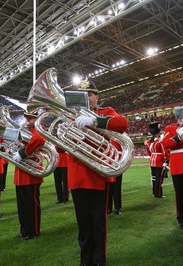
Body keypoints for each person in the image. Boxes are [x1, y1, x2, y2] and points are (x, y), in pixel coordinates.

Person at [67, 79, 128, 266]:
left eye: (90, 95)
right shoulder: (70, 116)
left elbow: (122, 123)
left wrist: (95, 120)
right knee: (83, 224)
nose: (88, 98)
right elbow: (60, 148)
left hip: (98, 175)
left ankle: (99, 260)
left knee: (98, 224)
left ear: (96, 97)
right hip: (78, 175)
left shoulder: (105, 113)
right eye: (83, 96)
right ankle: (85, 260)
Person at [12, 111, 46, 240]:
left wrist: (23, 152)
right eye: (27, 118)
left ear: (37, 119)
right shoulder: (24, 131)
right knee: (22, 206)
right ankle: (24, 230)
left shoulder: (39, 129)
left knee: (31, 205)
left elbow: (39, 140)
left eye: (30, 119)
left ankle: (34, 231)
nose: (28, 121)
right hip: (20, 173)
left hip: (31, 172)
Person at [144, 122, 168, 198]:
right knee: (159, 178)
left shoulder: (148, 142)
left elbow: (149, 153)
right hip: (159, 161)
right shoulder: (160, 141)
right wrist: (165, 161)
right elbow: (164, 151)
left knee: (154, 178)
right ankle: (158, 194)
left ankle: (155, 193)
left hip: (152, 161)